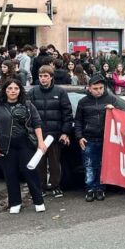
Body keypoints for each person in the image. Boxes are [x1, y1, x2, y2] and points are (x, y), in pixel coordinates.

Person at [0, 79, 47, 214]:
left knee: (31, 173)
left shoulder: (27, 105)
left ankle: (38, 201)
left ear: (20, 90)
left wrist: (41, 142)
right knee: (10, 174)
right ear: (5, 91)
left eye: (15, 88)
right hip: (6, 146)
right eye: (9, 88)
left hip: (26, 144)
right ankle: (15, 202)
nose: (13, 91)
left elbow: (37, 124)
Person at [27, 66, 73, 197]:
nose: (43, 79)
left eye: (46, 76)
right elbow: (28, 113)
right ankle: (40, 187)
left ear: (51, 77)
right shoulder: (33, 92)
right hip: (38, 135)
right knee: (39, 162)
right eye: (41, 76)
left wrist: (65, 132)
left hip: (55, 134)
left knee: (54, 162)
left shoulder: (60, 92)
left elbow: (67, 113)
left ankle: (55, 186)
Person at [74, 75, 119, 202]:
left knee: (102, 165)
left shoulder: (111, 99)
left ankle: (100, 189)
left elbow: (121, 117)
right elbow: (78, 121)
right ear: (89, 88)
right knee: (89, 165)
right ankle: (90, 189)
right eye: (95, 88)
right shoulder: (83, 102)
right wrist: (79, 137)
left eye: (101, 88)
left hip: (105, 139)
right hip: (88, 139)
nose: (99, 91)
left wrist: (114, 110)